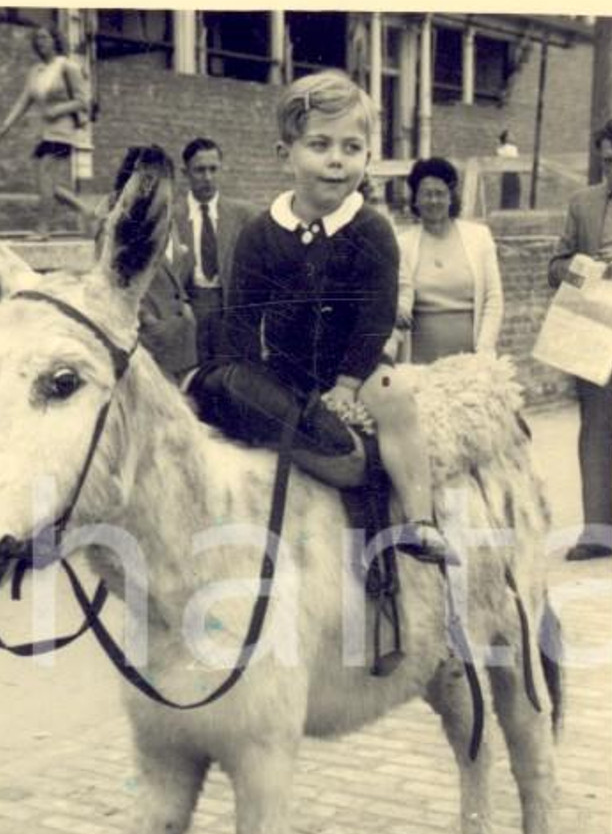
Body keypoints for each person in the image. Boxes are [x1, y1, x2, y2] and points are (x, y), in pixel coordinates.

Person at [189, 69, 454, 566]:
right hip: (284, 369)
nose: (336, 160)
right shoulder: (261, 234)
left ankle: (420, 518)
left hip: (355, 364)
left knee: (396, 400)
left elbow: (376, 314)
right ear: (285, 154)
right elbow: (243, 317)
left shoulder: (370, 230)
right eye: (320, 145)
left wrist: (349, 384)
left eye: (352, 148)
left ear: (367, 158)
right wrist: (244, 376)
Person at [548, 118, 612, 561]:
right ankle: (598, 533)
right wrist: (580, 267)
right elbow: (554, 266)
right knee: (596, 430)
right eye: (607, 161)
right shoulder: (583, 203)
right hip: (595, 332)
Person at [62, 147, 198, 384]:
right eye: (150, 180)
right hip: (150, 343)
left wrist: (184, 308)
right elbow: (111, 283)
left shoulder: (164, 219)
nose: (159, 188)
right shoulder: (116, 228)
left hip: (181, 342)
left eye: (164, 179)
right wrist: (151, 323)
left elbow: (175, 268)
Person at [393, 156, 504, 366]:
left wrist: (484, 353)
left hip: (472, 366)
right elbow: (400, 296)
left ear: (451, 197)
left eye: (440, 194)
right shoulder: (403, 244)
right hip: (419, 366)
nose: (433, 201)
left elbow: (493, 298)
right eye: (426, 194)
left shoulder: (479, 237)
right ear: (415, 200)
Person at [0, 24, 91, 237]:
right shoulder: (36, 71)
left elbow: (83, 101)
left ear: (56, 41)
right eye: (38, 39)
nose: (41, 42)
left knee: (46, 179)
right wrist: (6, 125)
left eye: (45, 38)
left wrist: (58, 109)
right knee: (46, 184)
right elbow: (24, 100)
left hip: (63, 132)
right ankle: (85, 210)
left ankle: (43, 229)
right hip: (46, 132)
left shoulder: (68, 67)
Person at [172, 138, 257, 369]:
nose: (208, 177)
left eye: (213, 169)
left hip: (228, 305)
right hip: (190, 307)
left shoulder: (245, 215)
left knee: (228, 374)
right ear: (185, 172)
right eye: (200, 170)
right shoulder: (170, 217)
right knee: (192, 374)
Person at [497, 129, 522, 210]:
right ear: (507, 138)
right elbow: (516, 160)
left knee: (506, 196)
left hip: (505, 175)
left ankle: (505, 210)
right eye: (511, 135)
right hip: (513, 174)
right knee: (514, 195)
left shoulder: (500, 149)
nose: (514, 136)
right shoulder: (512, 148)